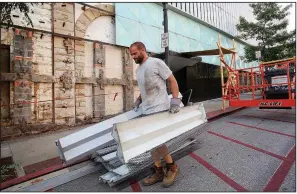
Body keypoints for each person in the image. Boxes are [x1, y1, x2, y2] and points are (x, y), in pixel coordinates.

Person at [129, 42, 181, 187]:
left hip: (159, 107)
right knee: (151, 143)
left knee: (157, 140)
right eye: (131, 54)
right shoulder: (139, 70)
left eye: (135, 53)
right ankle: (158, 170)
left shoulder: (156, 63)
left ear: (143, 50)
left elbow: (172, 80)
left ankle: (172, 167)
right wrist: (139, 100)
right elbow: (144, 88)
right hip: (147, 109)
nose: (133, 57)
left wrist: (175, 100)